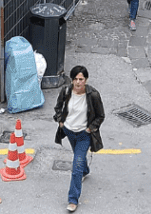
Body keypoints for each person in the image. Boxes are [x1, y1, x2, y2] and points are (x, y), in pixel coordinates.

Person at [53, 65, 105, 213]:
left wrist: (90, 129)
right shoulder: (66, 91)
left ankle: (73, 200)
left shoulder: (93, 95)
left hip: (84, 134)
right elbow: (58, 108)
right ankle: (85, 170)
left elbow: (100, 116)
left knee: (76, 166)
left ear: (86, 80)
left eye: (81, 79)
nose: (77, 82)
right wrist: (60, 121)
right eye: (75, 79)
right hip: (69, 131)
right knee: (79, 157)